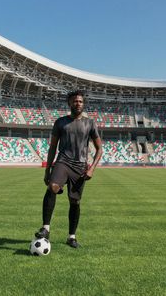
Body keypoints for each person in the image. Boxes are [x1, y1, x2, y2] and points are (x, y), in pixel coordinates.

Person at [34, 90, 103, 248]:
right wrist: (47, 170)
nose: (77, 103)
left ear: (83, 104)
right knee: (52, 187)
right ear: (69, 103)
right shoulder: (60, 122)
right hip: (63, 162)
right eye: (74, 101)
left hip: (80, 167)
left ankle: (71, 237)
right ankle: (45, 229)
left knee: (75, 202)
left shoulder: (90, 123)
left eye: (80, 101)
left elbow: (99, 149)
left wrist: (92, 168)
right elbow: (52, 147)